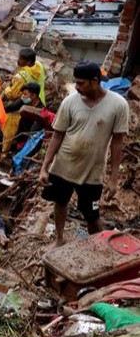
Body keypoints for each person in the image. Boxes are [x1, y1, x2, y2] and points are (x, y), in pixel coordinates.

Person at [39, 61, 129, 246]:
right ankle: (59, 238)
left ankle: (96, 246)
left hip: (93, 171)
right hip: (64, 165)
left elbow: (117, 143)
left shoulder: (118, 105)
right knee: (60, 201)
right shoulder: (70, 102)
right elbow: (57, 135)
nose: (77, 87)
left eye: (81, 83)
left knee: (91, 213)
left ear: (95, 81)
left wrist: (113, 179)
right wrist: (45, 166)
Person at [2, 48, 47, 152]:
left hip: (28, 100)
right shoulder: (39, 65)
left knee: (22, 127)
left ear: (29, 62)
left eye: (21, 59)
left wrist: (6, 88)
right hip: (39, 99)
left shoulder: (23, 74)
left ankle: (8, 152)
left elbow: (12, 94)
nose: (18, 60)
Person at [7, 82, 55, 153]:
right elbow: (11, 108)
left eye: (25, 94)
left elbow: (33, 131)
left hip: (27, 142)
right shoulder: (24, 100)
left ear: (33, 96)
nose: (22, 96)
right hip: (18, 136)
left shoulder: (40, 112)